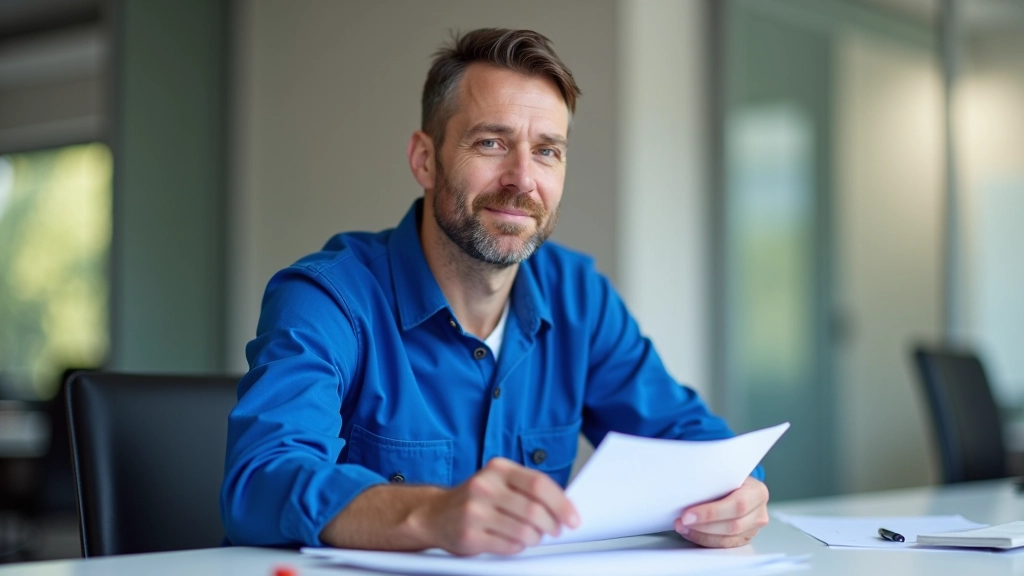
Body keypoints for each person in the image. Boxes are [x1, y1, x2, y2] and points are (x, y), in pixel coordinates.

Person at [221, 27, 769, 556]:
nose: (522, 179)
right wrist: (430, 515)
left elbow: (689, 437)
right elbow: (260, 482)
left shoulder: (579, 298)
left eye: (548, 151)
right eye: (491, 142)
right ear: (425, 159)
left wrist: (739, 491)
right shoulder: (327, 298)